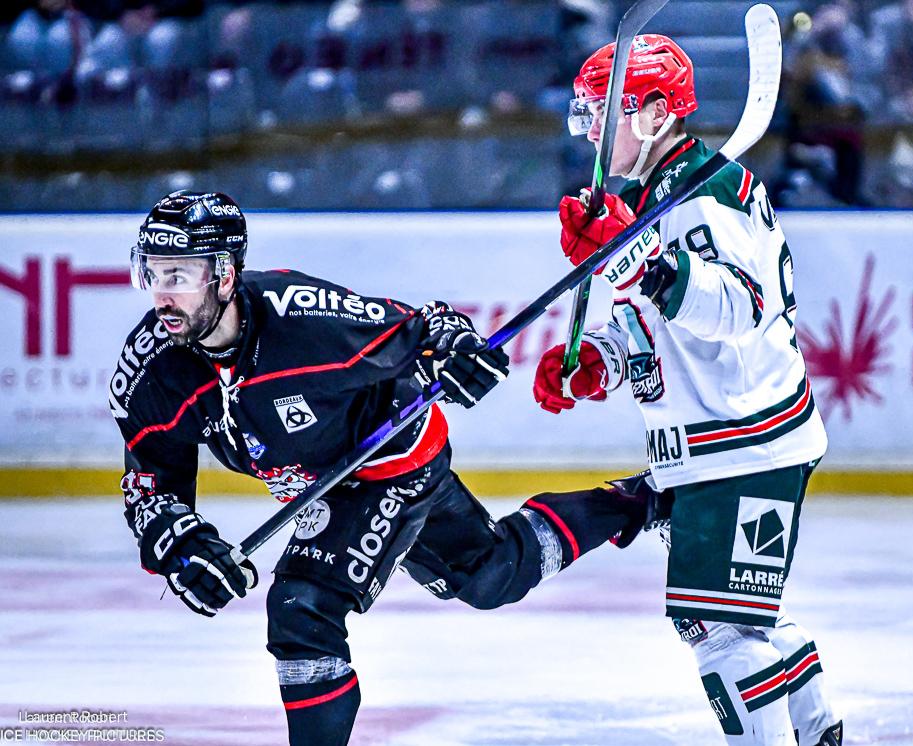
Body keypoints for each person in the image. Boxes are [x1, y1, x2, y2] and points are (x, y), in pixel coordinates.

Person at [109, 190, 653, 746]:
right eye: (152, 273)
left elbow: (425, 328)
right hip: (321, 483)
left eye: (179, 275)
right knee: (490, 575)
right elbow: (150, 487)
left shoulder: (302, 319)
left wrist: (459, 352)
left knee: (302, 608)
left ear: (225, 275)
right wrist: (183, 549)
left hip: (391, 460)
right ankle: (637, 501)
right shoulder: (151, 373)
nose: (162, 295)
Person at [534, 36, 842, 745]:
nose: (590, 130)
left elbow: (738, 310)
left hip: (746, 441)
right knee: (740, 616)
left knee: (720, 630)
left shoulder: (708, 194)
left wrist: (636, 259)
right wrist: (600, 359)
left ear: (654, 113)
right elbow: (658, 329)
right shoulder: (649, 198)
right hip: (714, 445)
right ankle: (819, 730)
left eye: (603, 112)